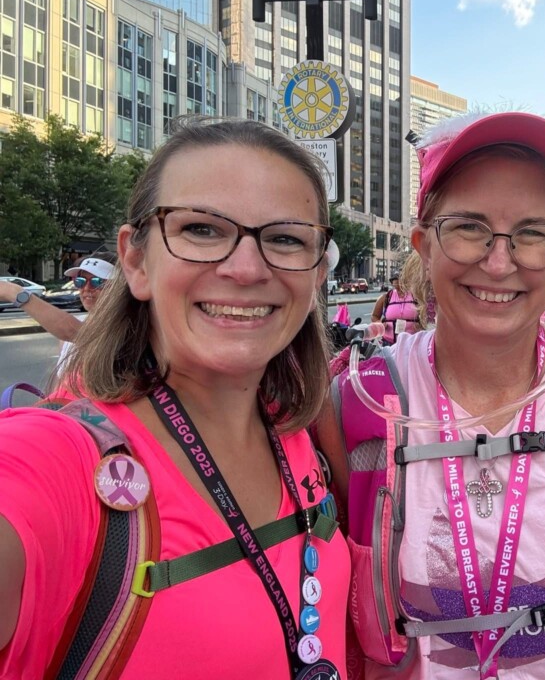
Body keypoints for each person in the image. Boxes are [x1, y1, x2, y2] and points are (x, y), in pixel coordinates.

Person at [317, 110, 545, 678]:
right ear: (424, 245)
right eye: (468, 228)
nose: (499, 262)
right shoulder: (355, 405)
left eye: (532, 233)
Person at [0, 118, 349, 678]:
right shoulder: (56, 460)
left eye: (285, 238)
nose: (245, 269)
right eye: (202, 229)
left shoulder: (299, 430)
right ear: (136, 261)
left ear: (315, 276)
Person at [0, 254, 115, 371]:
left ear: (118, 286)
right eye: (80, 281)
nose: (86, 288)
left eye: (97, 281)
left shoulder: (122, 325)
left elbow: (77, 333)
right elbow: (62, 376)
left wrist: (14, 293)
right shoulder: (74, 325)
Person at [371, 272, 422, 344]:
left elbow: (425, 315)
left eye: (402, 286)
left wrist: (421, 323)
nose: (399, 289)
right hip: (389, 342)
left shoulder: (416, 297)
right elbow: (374, 316)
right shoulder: (386, 297)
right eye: (396, 286)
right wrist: (380, 324)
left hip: (412, 342)